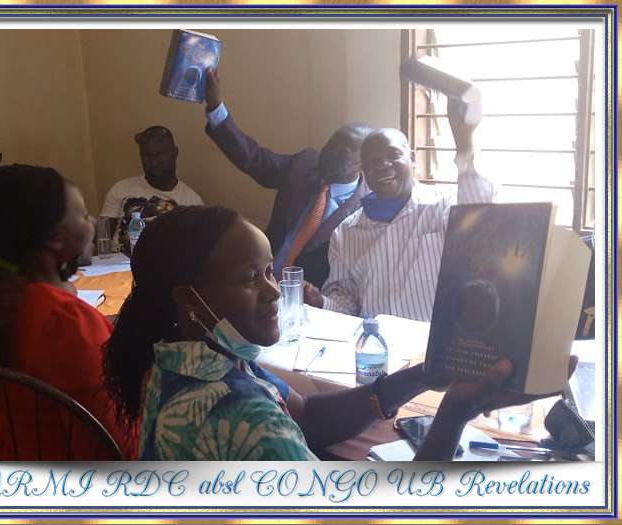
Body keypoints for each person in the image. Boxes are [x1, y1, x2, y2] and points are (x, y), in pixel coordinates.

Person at [101, 205, 569, 461]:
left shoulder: (184, 360)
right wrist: (453, 415)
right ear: (188, 299)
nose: (272, 292)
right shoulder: (245, 418)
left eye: (270, 272)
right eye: (249, 279)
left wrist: (422, 376)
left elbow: (307, 415)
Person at [0, 164, 136, 460]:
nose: (91, 222)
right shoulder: (63, 321)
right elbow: (118, 448)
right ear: (56, 238)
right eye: (83, 215)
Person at [305, 99, 498, 321]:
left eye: (394, 155)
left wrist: (465, 142)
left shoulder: (444, 207)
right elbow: (348, 301)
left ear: (412, 158)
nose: (383, 166)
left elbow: (483, 217)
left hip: (431, 340)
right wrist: (322, 302)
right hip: (376, 342)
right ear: (363, 170)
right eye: (373, 162)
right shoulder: (345, 233)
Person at [203, 68, 372, 288]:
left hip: (311, 297)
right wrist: (215, 106)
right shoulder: (305, 164)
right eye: (331, 144)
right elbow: (253, 158)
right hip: (260, 281)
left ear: (363, 164)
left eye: (343, 153)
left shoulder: (366, 209)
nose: (331, 153)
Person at [99, 125, 203, 255]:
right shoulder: (121, 188)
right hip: (115, 264)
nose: (154, 162)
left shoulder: (192, 202)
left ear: (175, 153)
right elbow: (102, 236)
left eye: (160, 154)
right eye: (147, 156)